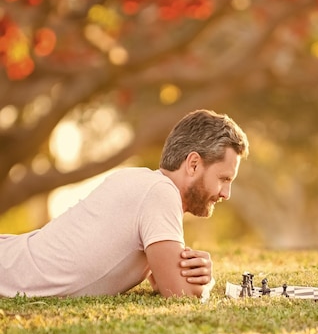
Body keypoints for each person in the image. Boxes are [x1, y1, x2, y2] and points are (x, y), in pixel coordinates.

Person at [0, 109, 249, 298]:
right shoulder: (159, 193)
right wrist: (206, 281)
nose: (226, 193)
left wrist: (185, 272)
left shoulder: (140, 181)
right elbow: (179, 293)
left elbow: (163, 281)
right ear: (193, 164)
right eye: (223, 179)